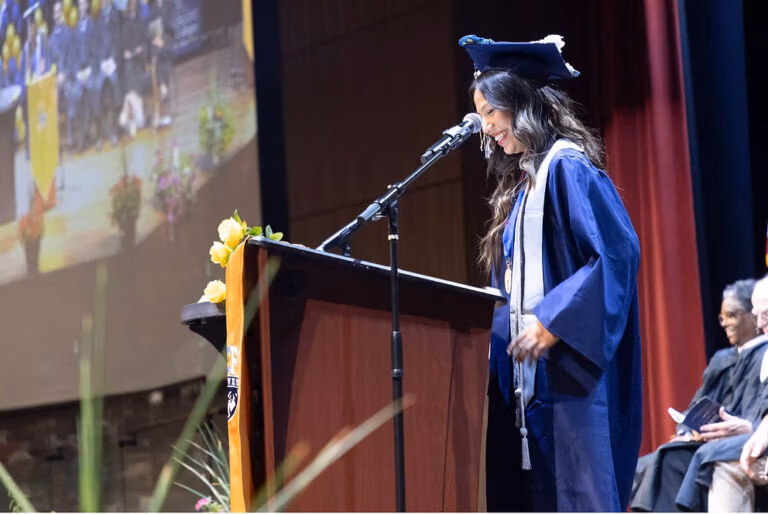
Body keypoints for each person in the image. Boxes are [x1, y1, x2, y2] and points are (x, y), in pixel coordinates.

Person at [460, 34, 643, 511]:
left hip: (571, 382)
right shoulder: (527, 185)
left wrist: (552, 320)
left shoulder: (568, 169)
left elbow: (616, 255)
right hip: (533, 385)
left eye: (490, 113)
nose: (486, 128)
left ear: (519, 105)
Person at [630, 279, 763, 511]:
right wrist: (687, 430)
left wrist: (744, 426)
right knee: (646, 464)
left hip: (738, 440)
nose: (725, 324)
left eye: (732, 315)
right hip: (707, 440)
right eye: (722, 318)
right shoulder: (722, 360)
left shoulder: (764, 356)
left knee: (668, 459)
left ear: (752, 317)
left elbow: (759, 414)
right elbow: (697, 404)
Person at [671, 275, 768, 512]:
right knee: (666, 457)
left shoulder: (760, 355)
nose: (761, 325)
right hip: (746, 437)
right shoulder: (726, 360)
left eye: (765, 314)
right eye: (760, 316)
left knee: (720, 458)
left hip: (744, 439)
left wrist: (754, 429)